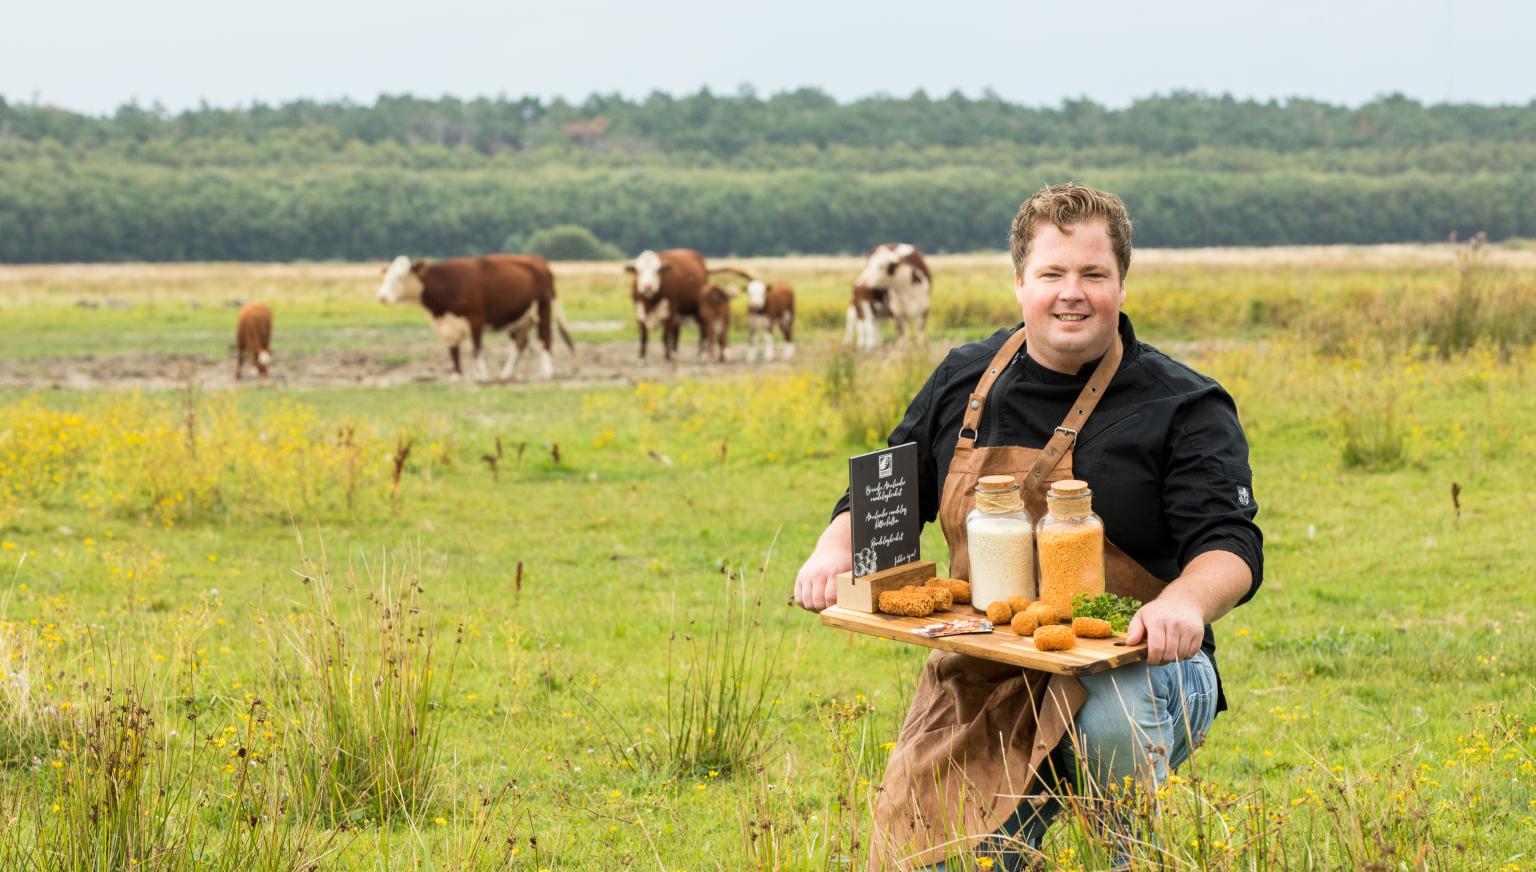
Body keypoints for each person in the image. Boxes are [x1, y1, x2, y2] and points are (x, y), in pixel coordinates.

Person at [793, 183, 1263, 868]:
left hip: (1136, 666)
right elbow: (889, 490)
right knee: (941, 856)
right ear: (1020, 283)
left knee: (1106, 717)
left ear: (1121, 285)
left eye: (1093, 274)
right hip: (988, 664)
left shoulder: (1183, 403)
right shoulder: (964, 377)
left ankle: (1122, 847)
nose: (1072, 293)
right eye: (1052, 274)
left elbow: (1231, 545)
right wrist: (836, 549)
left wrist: (1184, 603)